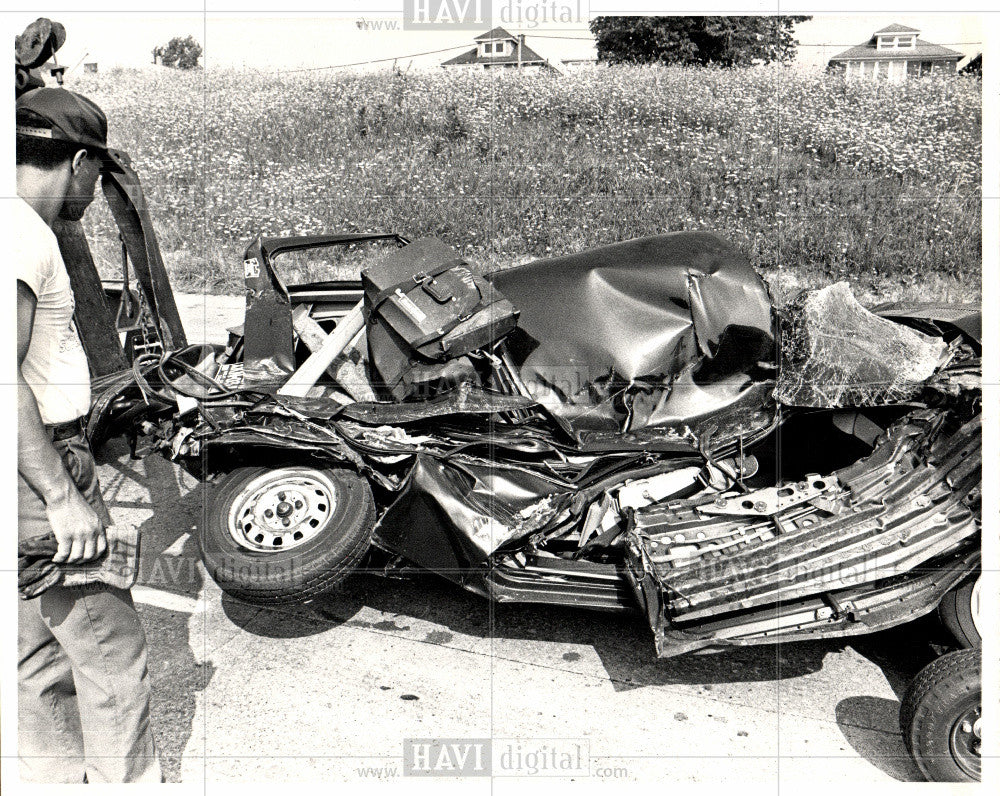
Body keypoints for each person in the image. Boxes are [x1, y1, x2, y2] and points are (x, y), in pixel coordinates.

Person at [16, 87, 161, 783]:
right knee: (113, 652)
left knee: (39, 651)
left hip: (22, 466)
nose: (97, 189)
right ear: (77, 163)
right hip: (40, 466)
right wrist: (61, 496)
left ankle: (49, 780)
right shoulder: (23, 235)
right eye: (98, 175)